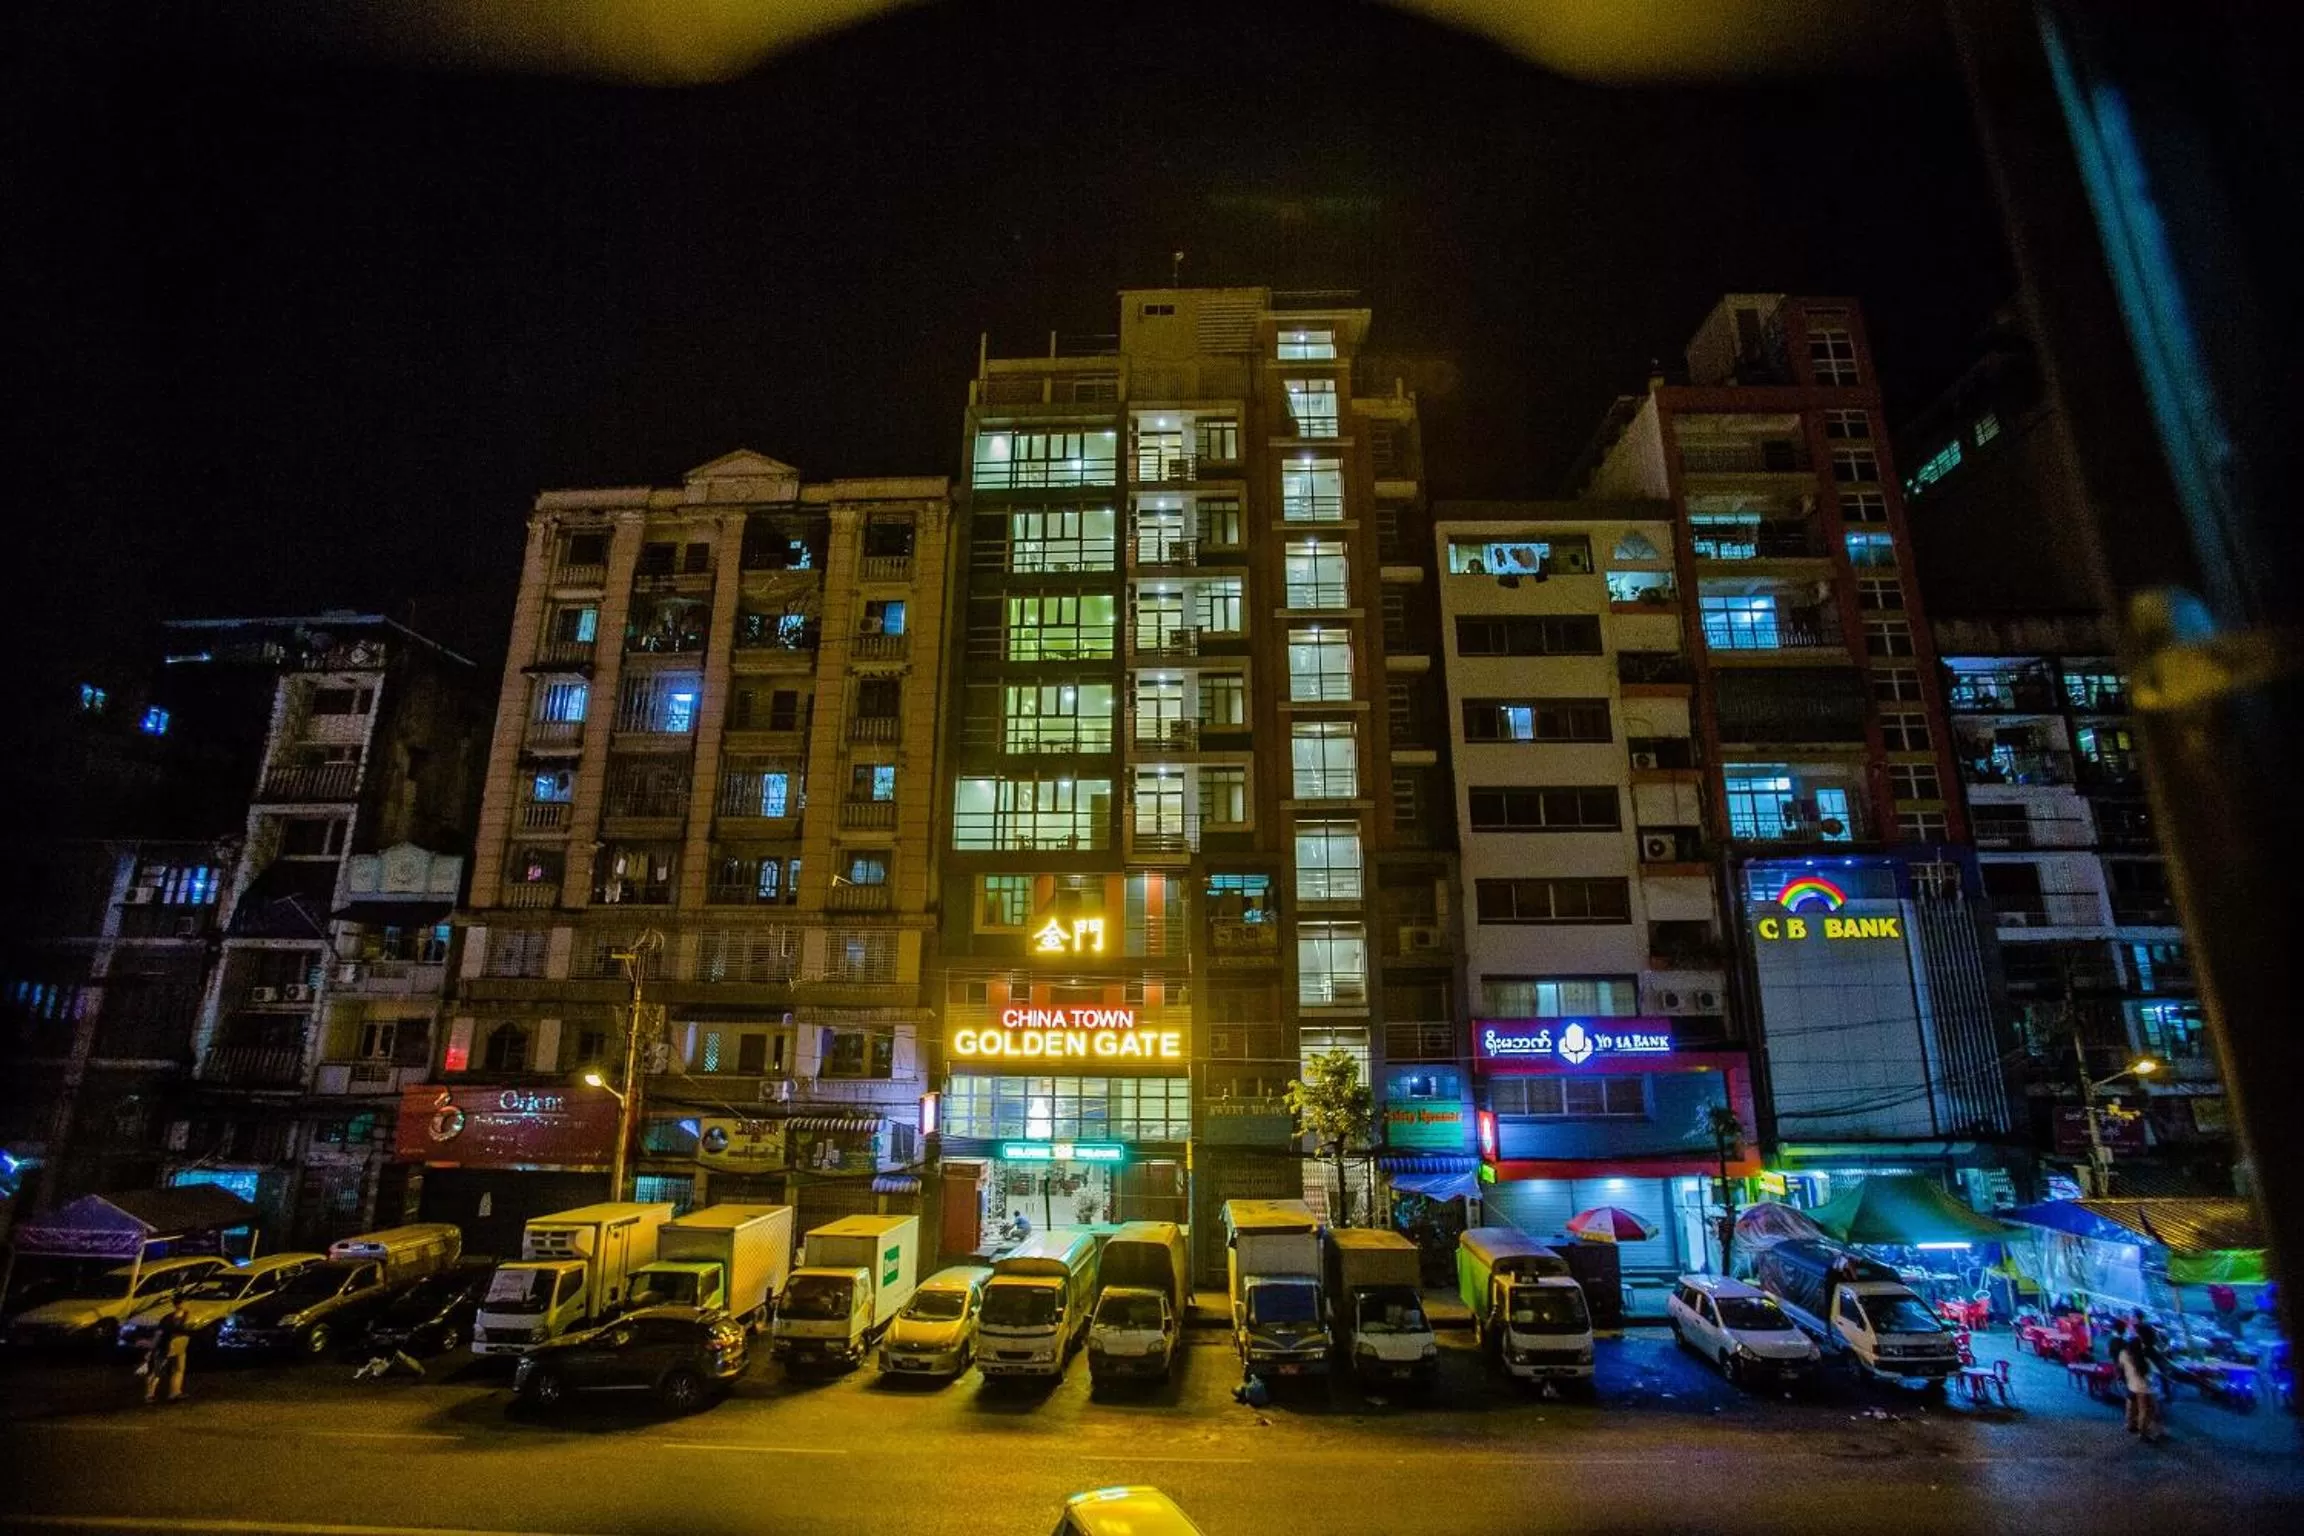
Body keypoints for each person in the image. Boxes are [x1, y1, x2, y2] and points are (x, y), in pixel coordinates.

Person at [142, 1292, 194, 1405]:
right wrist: (152, 1348)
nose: (188, 1304)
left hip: (180, 1346)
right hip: (166, 1346)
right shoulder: (168, 1318)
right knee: (157, 1371)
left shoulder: (187, 1315)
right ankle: (149, 1394)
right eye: (186, 1302)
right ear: (179, 1304)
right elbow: (159, 1333)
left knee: (179, 1369)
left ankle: (175, 1392)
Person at [2120, 1327, 2164, 1442]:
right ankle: (2143, 1433)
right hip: (2145, 1387)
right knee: (2146, 1410)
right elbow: (2157, 1370)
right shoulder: (2148, 1354)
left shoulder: (2125, 1353)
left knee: (2132, 1407)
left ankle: (2130, 1425)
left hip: (2131, 1383)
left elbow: (2122, 1367)